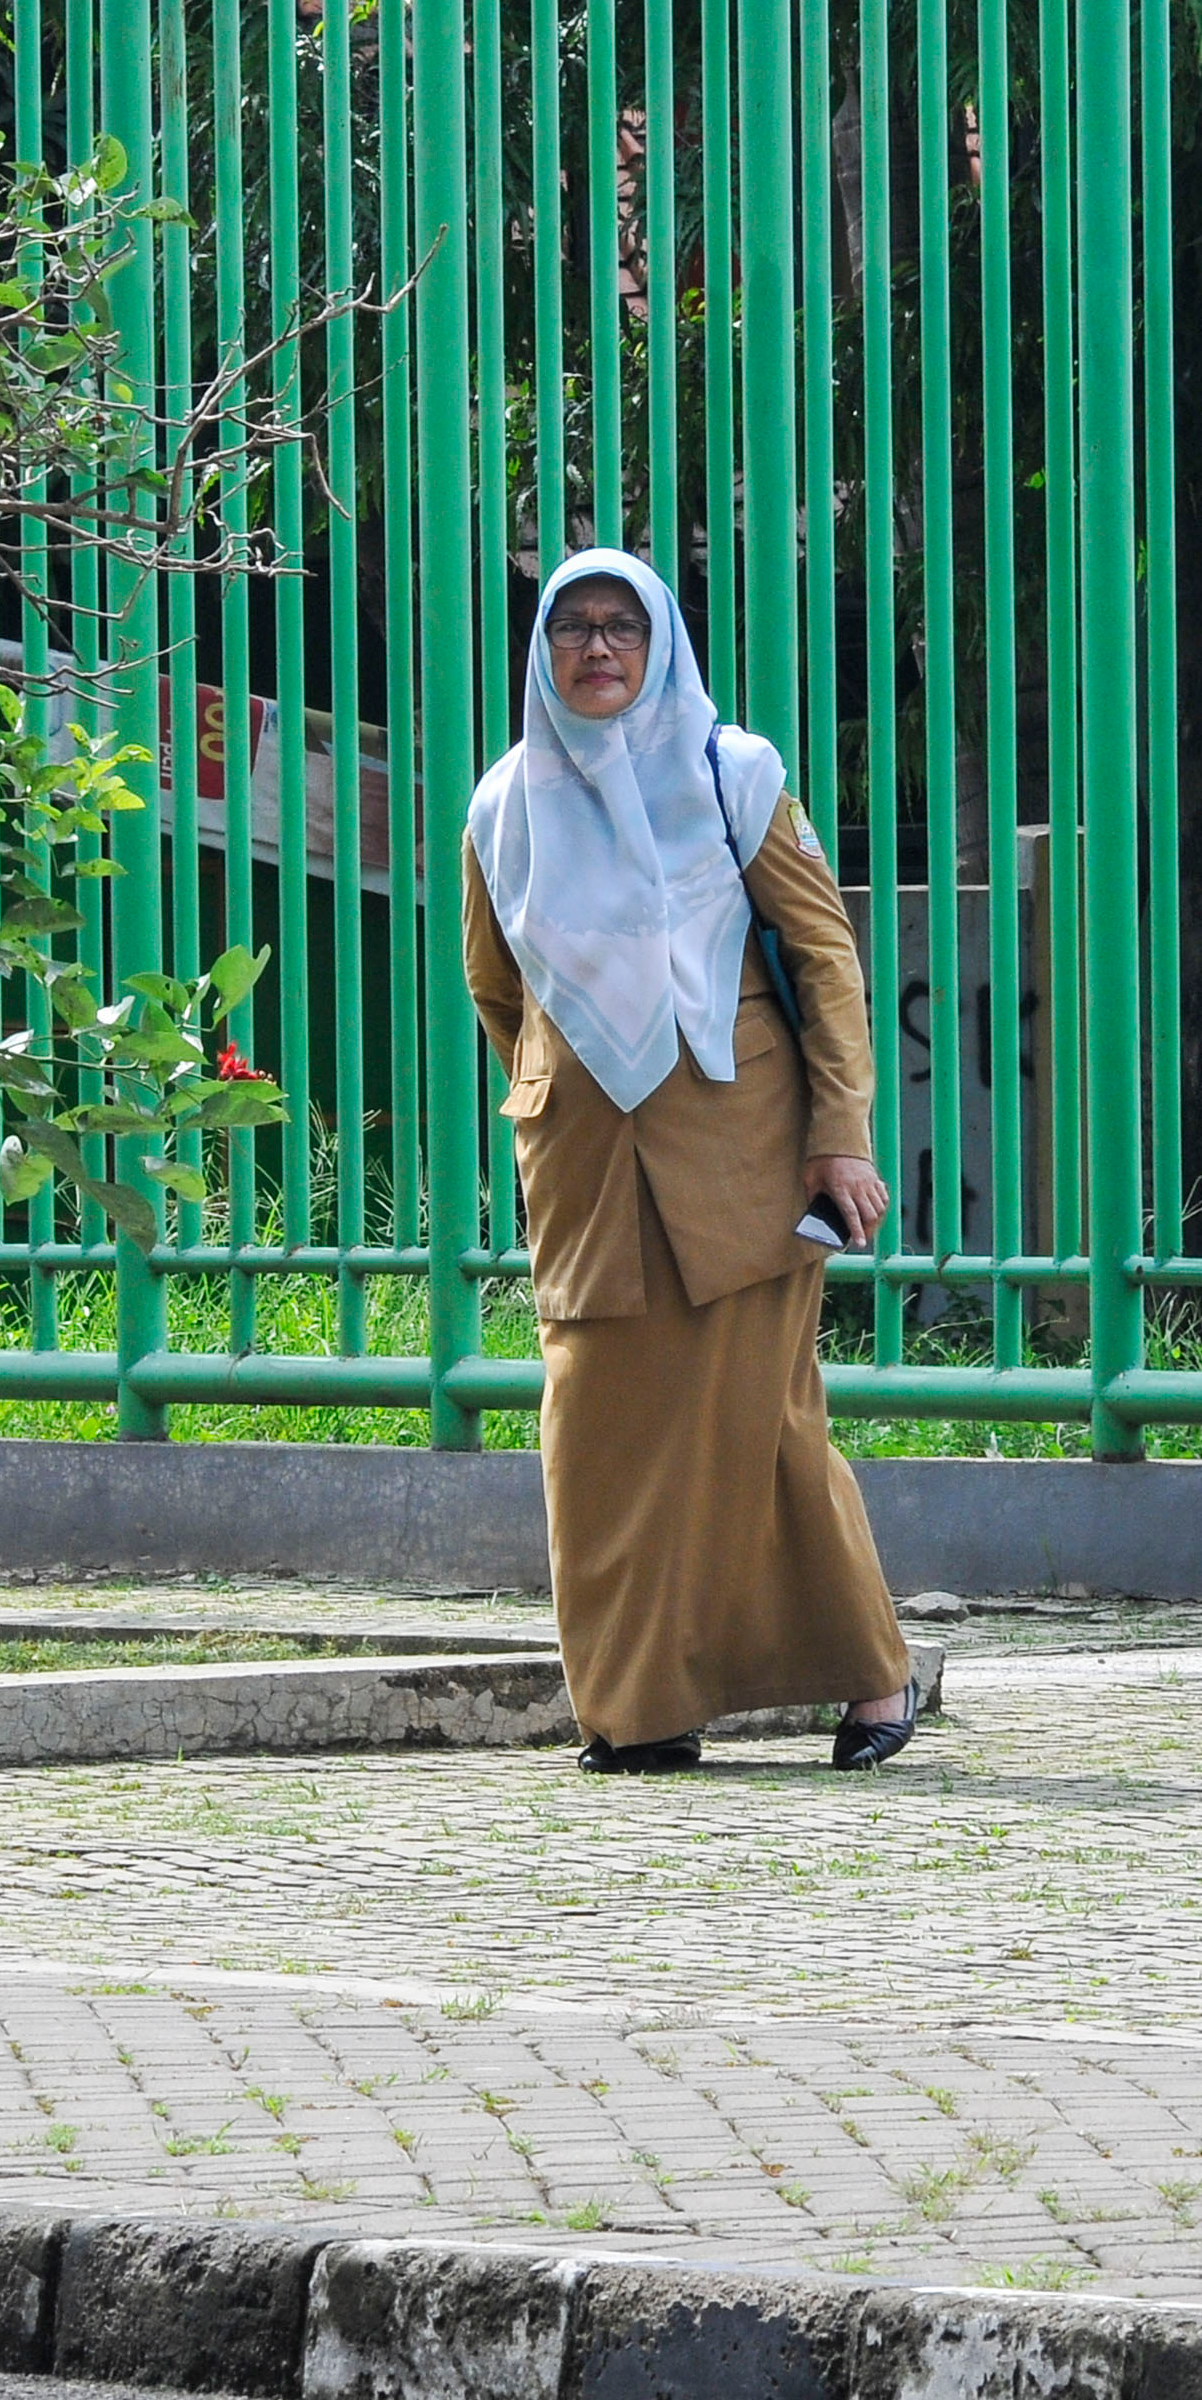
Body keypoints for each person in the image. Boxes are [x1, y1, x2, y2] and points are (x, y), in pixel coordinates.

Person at [461, 547, 918, 1774]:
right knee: (595, 1430)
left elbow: (824, 958)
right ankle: (636, 1708)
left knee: (761, 1421)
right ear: (543, 652)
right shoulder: (502, 804)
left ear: (661, 643)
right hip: (587, 1170)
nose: (597, 648)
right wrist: (563, 1090)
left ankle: (874, 1678)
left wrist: (839, 1132)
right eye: (572, 628)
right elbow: (496, 987)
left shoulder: (736, 774)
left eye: (621, 625)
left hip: (742, 1146)